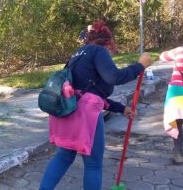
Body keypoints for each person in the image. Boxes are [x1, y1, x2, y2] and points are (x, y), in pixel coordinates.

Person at [40, 20, 152, 190]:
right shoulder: (99, 51)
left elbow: (90, 94)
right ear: (108, 42)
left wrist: (122, 109)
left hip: (64, 110)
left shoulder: (77, 54)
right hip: (84, 116)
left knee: (63, 157)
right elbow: (114, 77)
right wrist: (140, 66)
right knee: (93, 164)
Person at [159, 46, 183, 164]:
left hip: (176, 92)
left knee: (177, 123)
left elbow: (162, 56)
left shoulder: (179, 50)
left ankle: (178, 153)